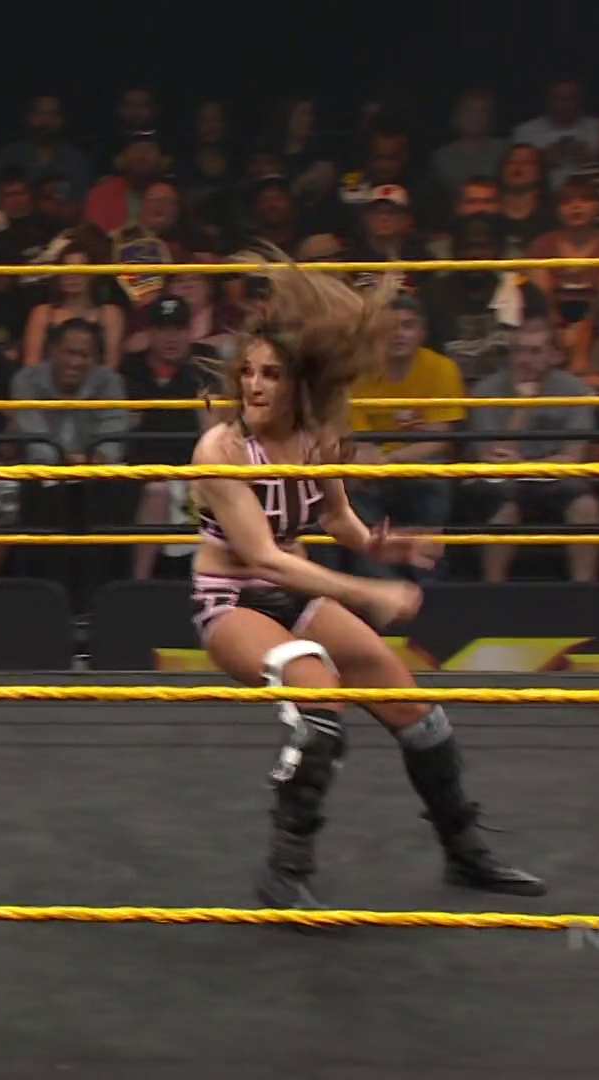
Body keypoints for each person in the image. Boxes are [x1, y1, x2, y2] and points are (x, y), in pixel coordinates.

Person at [187, 260, 546, 910]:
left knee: (415, 712)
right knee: (320, 703)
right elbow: (265, 559)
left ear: (301, 383)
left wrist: (382, 544)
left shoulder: (320, 436)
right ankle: (285, 870)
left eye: (271, 374)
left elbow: (334, 518)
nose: (254, 385)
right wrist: (368, 592)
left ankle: (465, 853)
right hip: (233, 600)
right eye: (249, 372)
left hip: (298, 596)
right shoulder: (222, 449)